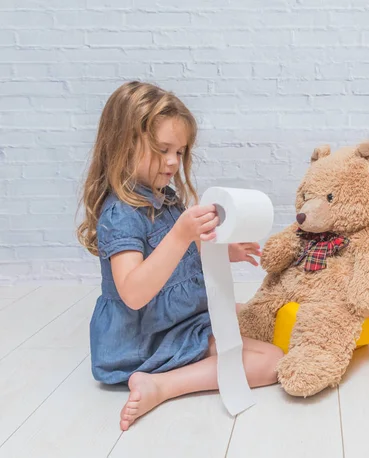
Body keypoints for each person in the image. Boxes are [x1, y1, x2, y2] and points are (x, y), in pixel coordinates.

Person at [77, 81, 283, 431]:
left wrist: (225, 251)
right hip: (144, 338)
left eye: (180, 152)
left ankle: (178, 367)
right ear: (125, 143)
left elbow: (188, 249)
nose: (173, 161)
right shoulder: (121, 214)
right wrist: (180, 233)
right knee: (273, 362)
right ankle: (162, 385)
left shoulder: (165, 197)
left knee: (251, 315)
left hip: (178, 318)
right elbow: (133, 291)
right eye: (163, 149)